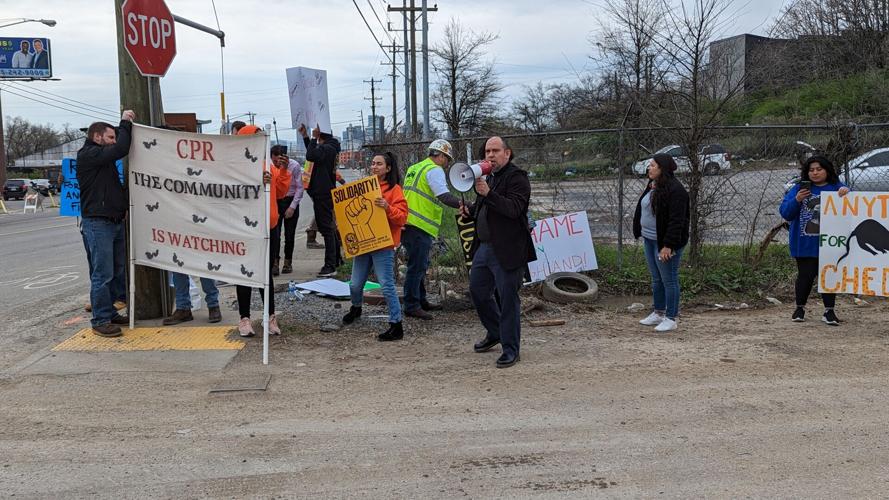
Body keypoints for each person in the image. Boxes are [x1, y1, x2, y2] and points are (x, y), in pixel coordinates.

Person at [460, 137, 535, 368]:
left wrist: (488, 193)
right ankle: (495, 332)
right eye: (487, 151)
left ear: (507, 153)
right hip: (485, 248)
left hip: (508, 250)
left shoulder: (518, 178)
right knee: (478, 291)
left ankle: (511, 349)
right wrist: (471, 211)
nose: (490, 155)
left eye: (495, 151)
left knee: (508, 299)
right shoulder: (489, 177)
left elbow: (513, 209)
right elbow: (486, 209)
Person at [77, 111, 135, 337]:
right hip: (98, 223)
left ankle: (109, 312)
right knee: (103, 273)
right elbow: (121, 148)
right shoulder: (89, 154)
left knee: (117, 271)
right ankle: (100, 319)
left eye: (114, 137)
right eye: (110, 137)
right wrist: (125, 122)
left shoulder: (102, 158)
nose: (113, 141)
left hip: (114, 221)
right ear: (97, 137)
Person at [341, 153, 408, 341]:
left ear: (388, 168)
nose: (374, 167)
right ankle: (356, 308)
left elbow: (402, 218)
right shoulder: (364, 188)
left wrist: (387, 207)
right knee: (355, 284)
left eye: (379, 164)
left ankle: (396, 325)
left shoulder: (395, 190)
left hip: (383, 245)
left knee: (387, 285)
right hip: (363, 244)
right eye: (372, 163)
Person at [779, 155, 849, 326]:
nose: (815, 173)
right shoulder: (798, 189)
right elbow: (786, 213)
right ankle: (799, 308)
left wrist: (846, 194)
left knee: (828, 276)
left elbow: (853, 208)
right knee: (805, 275)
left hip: (829, 243)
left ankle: (829, 311)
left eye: (819, 169)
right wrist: (797, 200)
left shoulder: (837, 188)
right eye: (811, 170)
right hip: (804, 242)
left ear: (827, 170)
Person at [235, 125, 290, 337]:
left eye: (262, 137)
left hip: (270, 227)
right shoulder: (238, 165)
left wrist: (283, 171)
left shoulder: (269, 164)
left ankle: (270, 317)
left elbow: (281, 192)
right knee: (244, 274)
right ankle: (244, 319)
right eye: (257, 137)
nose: (261, 141)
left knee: (266, 274)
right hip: (246, 227)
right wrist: (258, 182)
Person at [401, 139, 462, 320]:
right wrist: (465, 205)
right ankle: (412, 305)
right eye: (447, 159)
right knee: (416, 267)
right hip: (419, 224)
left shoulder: (416, 167)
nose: (447, 163)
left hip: (408, 222)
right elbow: (443, 196)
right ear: (441, 156)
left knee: (419, 264)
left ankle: (420, 300)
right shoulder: (434, 170)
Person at [632, 153, 690, 332]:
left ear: (662, 168)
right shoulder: (653, 185)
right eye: (649, 165)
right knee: (656, 279)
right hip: (650, 239)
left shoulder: (676, 190)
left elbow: (676, 221)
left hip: (665, 243)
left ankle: (671, 318)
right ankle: (658, 312)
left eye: (653, 166)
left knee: (669, 279)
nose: (649, 168)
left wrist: (668, 245)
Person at [299, 123, 342, 277]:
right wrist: (306, 137)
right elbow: (314, 155)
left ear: (320, 135)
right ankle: (336, 260)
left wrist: (312, 137)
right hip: (322, 192)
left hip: (323, 193)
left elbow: (311, 155)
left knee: (327, 229)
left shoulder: (328, 149)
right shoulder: (329, 148)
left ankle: (330, 265)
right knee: (328, 228)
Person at [268, 145, 296, 276]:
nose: (277, 162)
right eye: (274, 160)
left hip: (290, 201)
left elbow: (300, 188)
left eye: (279, 159)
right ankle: (275, 263)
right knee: (275, 236)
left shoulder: (294, 166)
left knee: (289, 235)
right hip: (276, 202)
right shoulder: (269, 168)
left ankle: (287, 262)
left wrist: (292, 206)